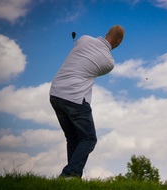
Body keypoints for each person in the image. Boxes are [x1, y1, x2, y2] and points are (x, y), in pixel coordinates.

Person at [49, 25, 125, 177]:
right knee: (89, 139)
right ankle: (69, 174)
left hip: (55, 93)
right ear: (118, 41)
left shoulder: (83, 39)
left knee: (73, 138)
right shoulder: (109, 62)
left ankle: (73, 179)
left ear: (106, 34)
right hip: (74, 98)